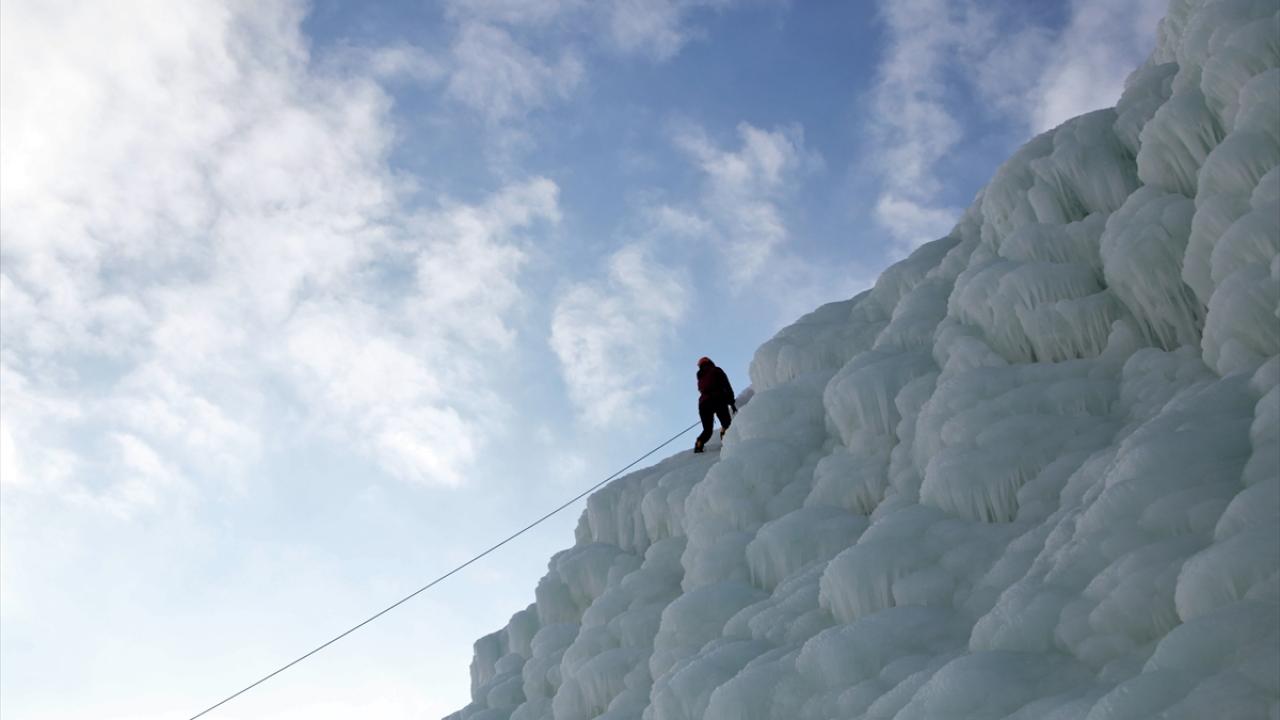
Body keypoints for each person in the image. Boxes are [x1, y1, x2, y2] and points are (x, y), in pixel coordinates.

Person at [694, 356, 736, 453]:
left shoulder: (700, 376)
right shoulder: (715, 370)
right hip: (717, 399)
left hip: (703, 403)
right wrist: (731, 401)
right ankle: (726, 442)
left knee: (707, 430)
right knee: (726, 423)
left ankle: (699, 444)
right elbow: (726, 384)